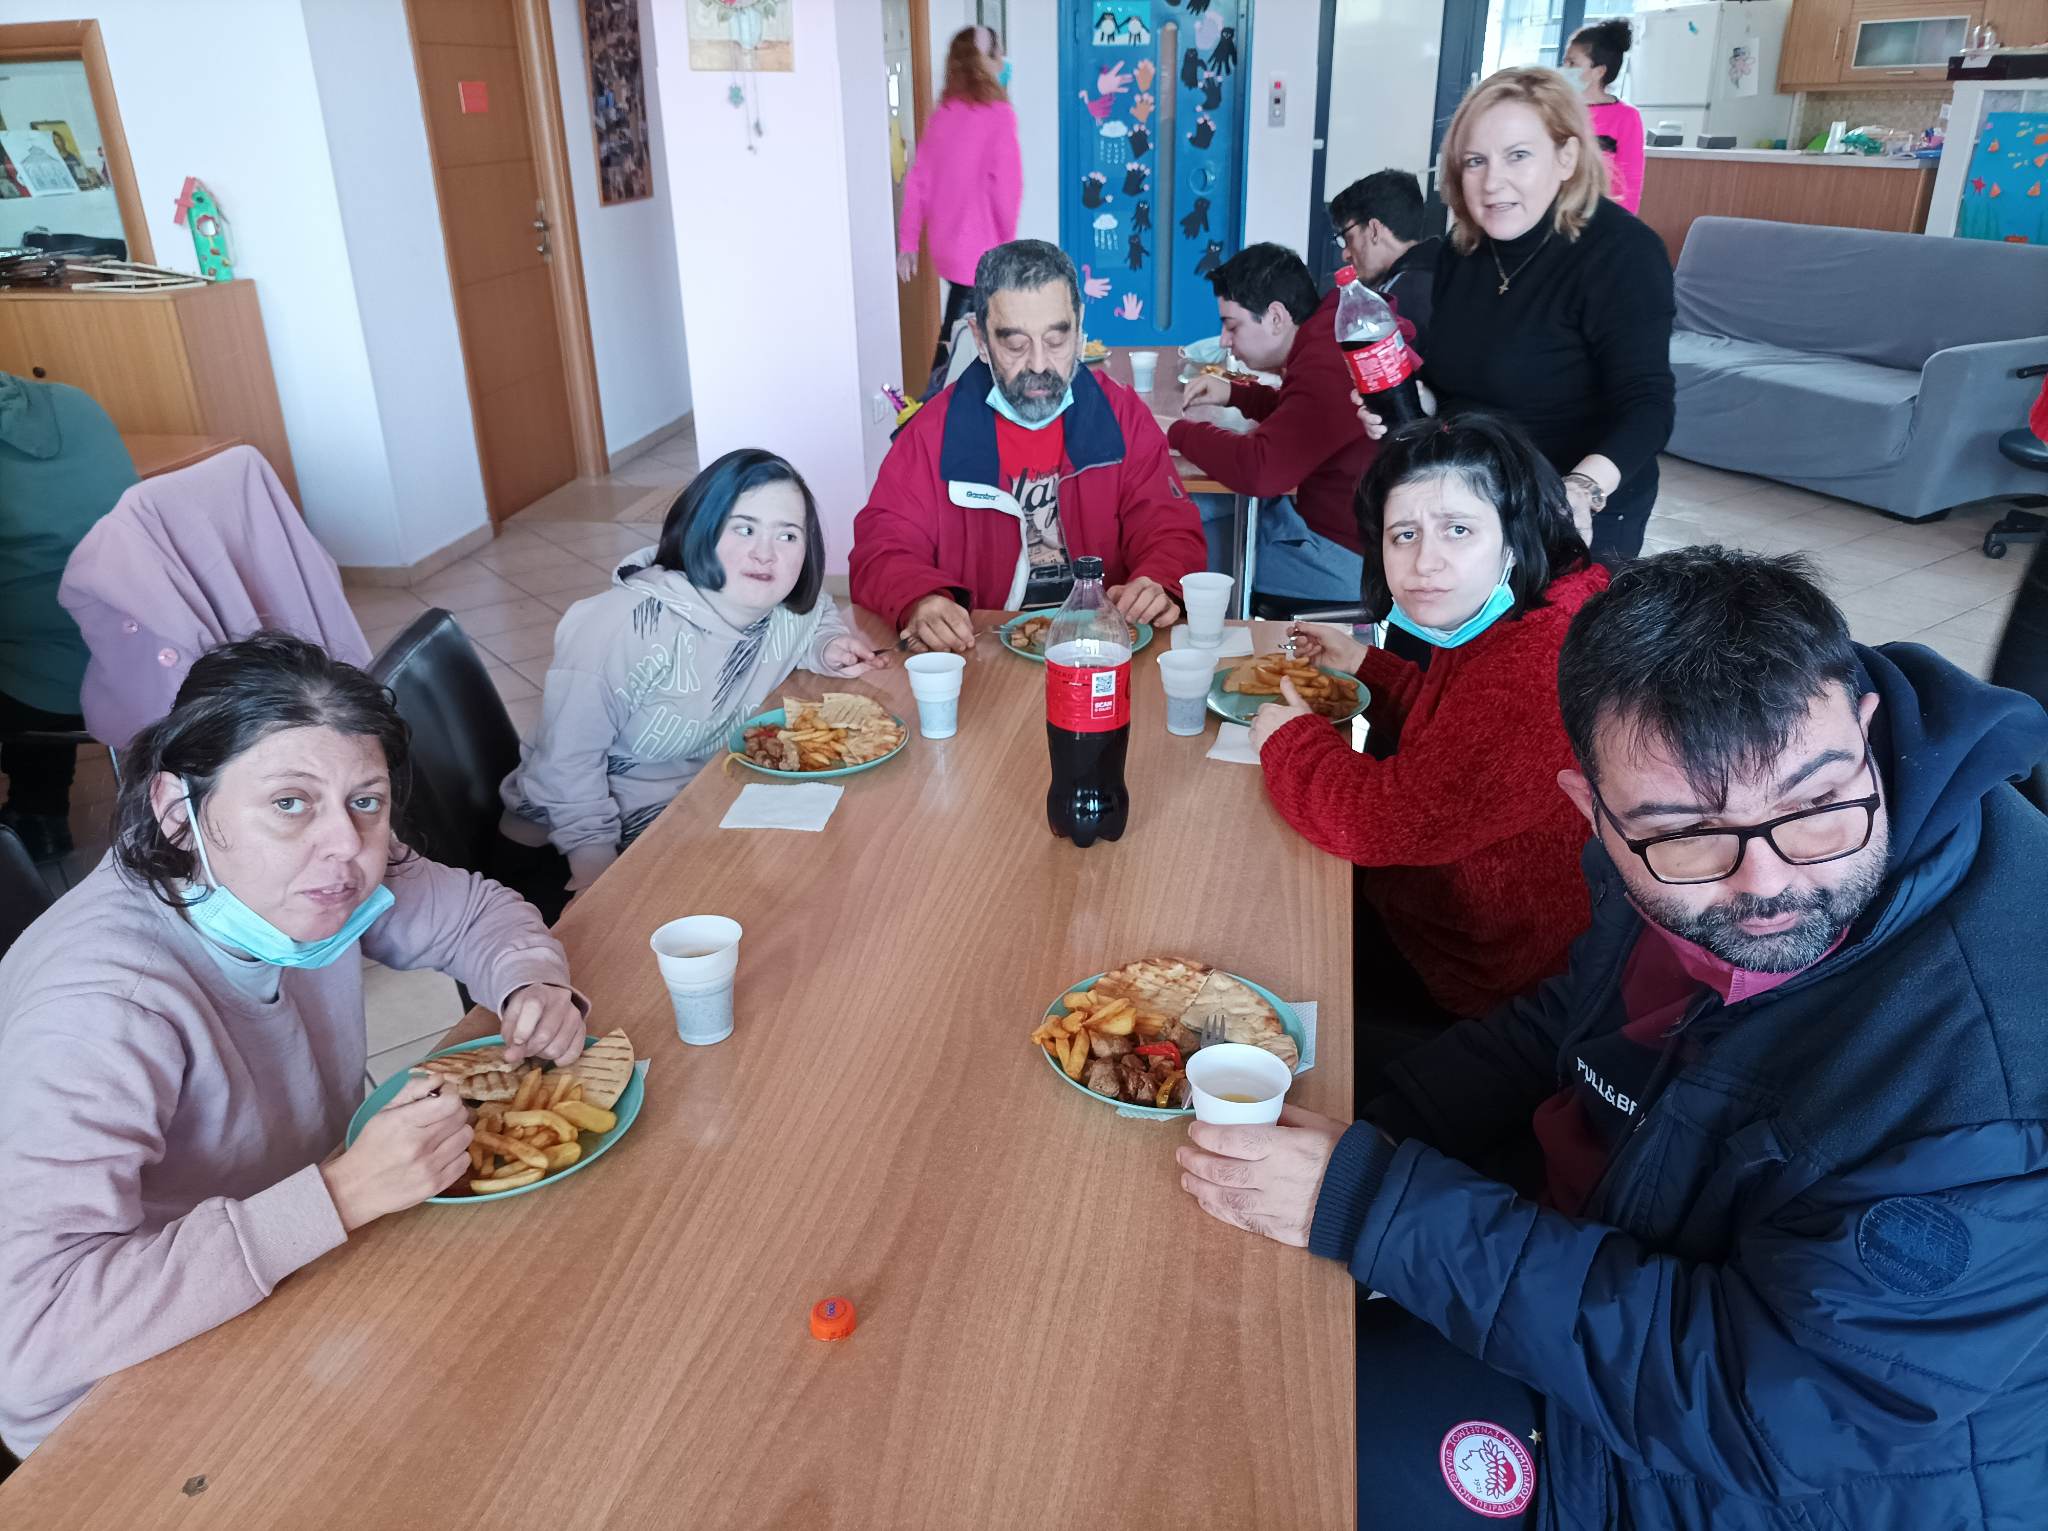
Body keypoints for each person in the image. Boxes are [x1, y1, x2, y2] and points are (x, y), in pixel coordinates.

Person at [1177, 547, 2048, 1528]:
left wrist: (1374, 1203)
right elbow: (1579, 1018)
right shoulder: (1651, 858)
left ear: (1866, 728)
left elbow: (1765, 1409)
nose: (1764, 884)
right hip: (1600, 1266)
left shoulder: (1990, 1074)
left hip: (1748, 1468)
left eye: (1813, 809)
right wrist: (1377, 1121)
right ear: (1588, 813)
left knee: (1266, 1452)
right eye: (1686, 836)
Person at [0, 633, 591, 1458]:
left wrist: (531, 981)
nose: (346, 847)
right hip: (125, 1396)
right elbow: (29, 1339)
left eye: (366, 800)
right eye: (289, 803)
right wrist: (339, 1195)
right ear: (177, 810)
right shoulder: (102, 1010)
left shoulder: (310, 872)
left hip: (303, 1265)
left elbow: (474, 915)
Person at [1247, 415, 1605, 1056]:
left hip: (1479, 981)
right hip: (1435, 914)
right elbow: (1458, 736)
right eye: (1404, 534)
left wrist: (1290, 738)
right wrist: (1367, 666)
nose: (1424, 563)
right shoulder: (1524, 609)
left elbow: (1383, 821)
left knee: (1261, 940)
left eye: (1458, 530)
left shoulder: (1538, 659)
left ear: (1516, 533)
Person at [501, 450, 885, 893]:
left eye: (787, 536)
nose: (765, 554)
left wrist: (826, 646)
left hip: (690, 813)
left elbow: (817, 615)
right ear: (702, 527)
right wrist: (596, 878)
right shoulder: (624, 625)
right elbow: (566, 764)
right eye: (745, 529)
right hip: (569, 850)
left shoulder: (783, 613)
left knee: (844, 863)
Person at [1359, 68, 1674, 565]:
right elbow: (1454, 386)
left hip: (1578, 509)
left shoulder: (1622, 253)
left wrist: (1581, 487)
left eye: (1518, 156)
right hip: (1478, 497)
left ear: (1566, 157)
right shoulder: (1463, 250)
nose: (1492, 182)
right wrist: (1400, 399)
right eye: (1475, 161)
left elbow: (1647, 406)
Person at [851, 239, 1206, 653]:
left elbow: (1170, 527)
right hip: (982, 653)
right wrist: (919, 598)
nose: (1038, 364)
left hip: (1105, 650)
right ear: (980, 340)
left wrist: (1157, 579)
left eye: (1056, 341)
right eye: (1015, 345)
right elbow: (881, 548)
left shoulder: (1121, 417)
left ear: (1079, 327)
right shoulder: (932, 433)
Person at [1168, 243, 1380, 607]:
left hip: (1348, 559)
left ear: (1276, 317)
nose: (1225, 342)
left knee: (1175, 546)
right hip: (1338, 531)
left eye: (1232, 326)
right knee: (1191, 510)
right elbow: (1301, 416)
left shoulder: (1326, 364)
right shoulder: (1327, 337)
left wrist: (1177, 432)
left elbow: (1259, 470)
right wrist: (1236, 394)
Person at [0, 370, 138, 863]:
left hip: (45, 689)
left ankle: (36, 816)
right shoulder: (72, 403)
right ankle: (38, 813)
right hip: (143, 658)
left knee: (30, 642)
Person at [896, 25, 1022, 384]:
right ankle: (932, 404)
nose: (1003, 61)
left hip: (949, 251)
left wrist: (908, 243)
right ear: (984, 62)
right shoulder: (998, 114)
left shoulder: (942, 116)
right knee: (964, 344)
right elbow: (1007, 188)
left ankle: (943, 400)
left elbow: (918, 182)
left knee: (965, 334)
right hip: (982, 249)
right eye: (996, 53)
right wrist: (1007, 243)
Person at [1328, 169, 1443, 347]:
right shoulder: (1442, 273)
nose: (1345, 254)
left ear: (1374, 230)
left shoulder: (1401, 299)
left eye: (1348, 239)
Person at [1566, 19, 1645, 214]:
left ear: (1599, 71)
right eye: (1564, 61)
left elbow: (1630, 183)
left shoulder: (1626, 117)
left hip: (1600, 217)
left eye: (1572, 63)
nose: (1564, 69)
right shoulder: (1559, 109)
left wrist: (1620, 225)